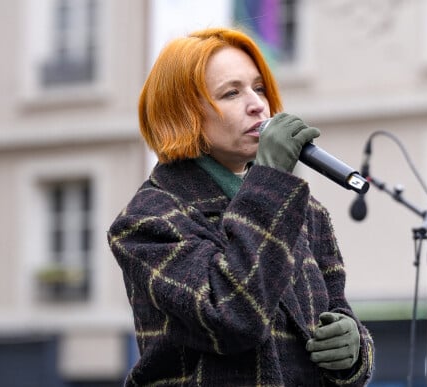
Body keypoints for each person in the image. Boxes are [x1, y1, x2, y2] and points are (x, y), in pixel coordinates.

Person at [108, 27, 374, 386]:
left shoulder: (307, 211)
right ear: (183, 113)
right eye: (231, 92)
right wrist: (272, 177)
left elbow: (336, 308)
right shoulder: (147, 220)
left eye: (259, 87)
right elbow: (231, 316)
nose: (257, 104)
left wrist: (353, 350)